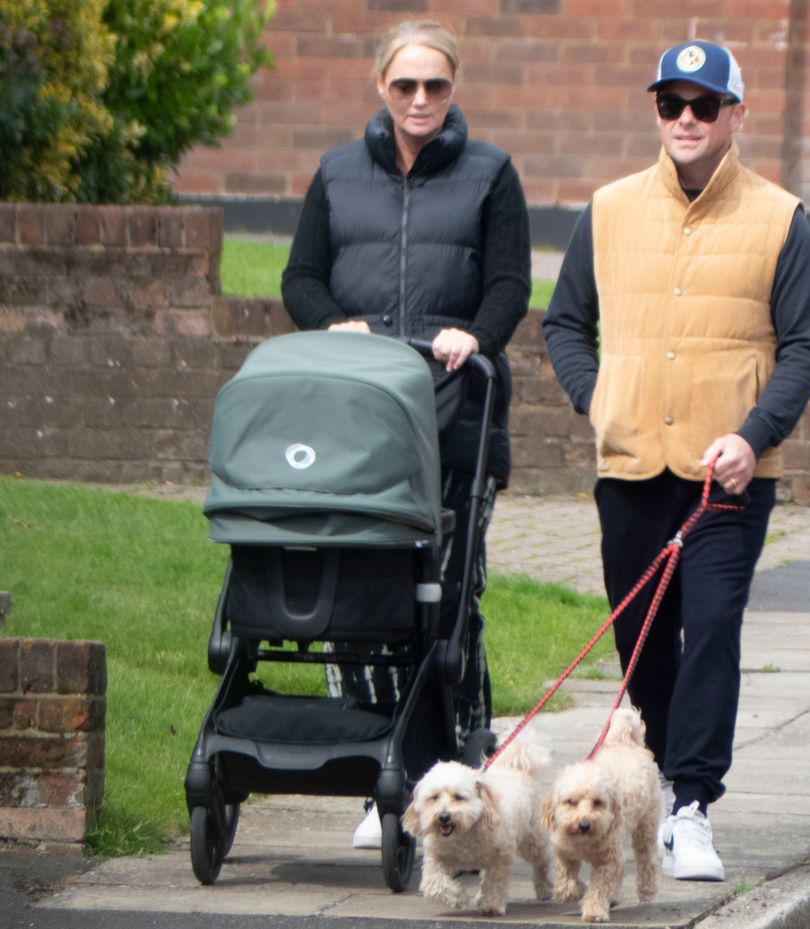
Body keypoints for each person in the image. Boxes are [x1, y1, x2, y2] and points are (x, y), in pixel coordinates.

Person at [542, 39, 810, 882]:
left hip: (726, 476)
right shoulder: (607, 208)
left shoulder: (781, 216)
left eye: (706, 105)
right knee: (642, 644)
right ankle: (665, 778)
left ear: (738, 113)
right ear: (657, 113)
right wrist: (599, 398)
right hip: (629, 464)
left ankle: (693, 804)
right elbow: (564, 323)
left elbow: (805, 345)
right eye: (672, 104)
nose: (688, 120)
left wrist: (753, 432)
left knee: (710, 633)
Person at [281, 19, 531, 850]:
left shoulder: (491, 174)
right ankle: (378, 773)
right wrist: (334, 324)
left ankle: (463, 767)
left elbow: (509, 284)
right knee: (362, 598)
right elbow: (300, 276)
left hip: (455, 421)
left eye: (436, 86)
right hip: (358, 426)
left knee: (450, 604)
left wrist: (477, 337)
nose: (420, 100)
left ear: (453, 88)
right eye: (404, 86)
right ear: (380, 88)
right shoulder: (337, 173)